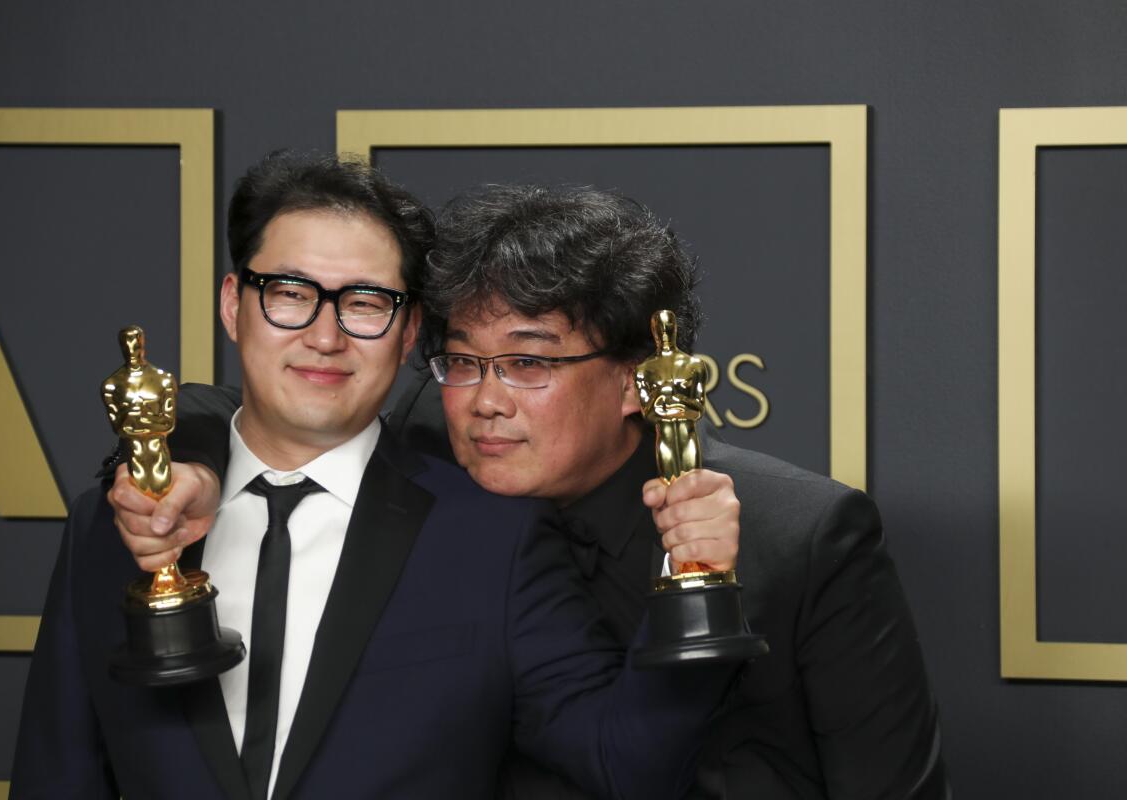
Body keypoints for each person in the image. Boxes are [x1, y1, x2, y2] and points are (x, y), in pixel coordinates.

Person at [112, 183, 949, 798]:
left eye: (529, 362)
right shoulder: (429, 446)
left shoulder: (802, 533)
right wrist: (182, 464)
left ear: (636, 382)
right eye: (465, 360)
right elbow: (247, 406)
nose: (486, 399)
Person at [10, 154, 737, 800]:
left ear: (410, 330)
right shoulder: (119, 523)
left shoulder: (492, 537)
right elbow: (57, 776)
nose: (324, 336)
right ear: (235, 304)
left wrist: (696, 577)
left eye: (364, 303)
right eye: (290, 293)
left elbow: (626, 763)